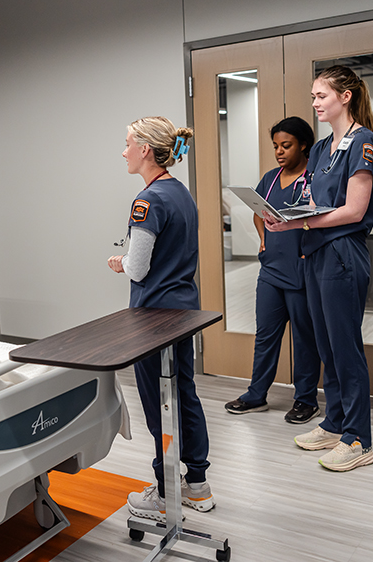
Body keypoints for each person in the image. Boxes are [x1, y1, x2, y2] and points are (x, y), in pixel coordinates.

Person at [264, 65, 373, 471]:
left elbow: (354, 210)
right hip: (314, 251)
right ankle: (334, 423)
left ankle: (359, 438)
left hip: (342, 253)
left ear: (344, 97)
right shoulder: (319, 149)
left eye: (321, 96)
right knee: (326, 345)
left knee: (345, 346)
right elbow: (314, 201)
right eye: (313, 97)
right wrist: (281, 215)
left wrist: (302, 222)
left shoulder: (362, 143)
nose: (314, 103)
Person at [107, 116, 213, 521]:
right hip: (182, 310)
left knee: (158, 403)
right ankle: (197, 485)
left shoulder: (147, 201)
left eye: (128, 143)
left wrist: (119, 262)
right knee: (184, 393)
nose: (124, 151)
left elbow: (137, 267)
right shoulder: (181, 193)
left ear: (145, 150)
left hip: (153, 316)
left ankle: (166, 492)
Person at [224, 117, 322, 423]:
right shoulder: (270, 178)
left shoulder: (315, 178)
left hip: (302, 270)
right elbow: (259, 213)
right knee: (266, 335)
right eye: (276, 146)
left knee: (305, 338)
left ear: (304, 145)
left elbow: (323, 218)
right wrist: (264, 237)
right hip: (271, 270)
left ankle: (306, 399)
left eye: (286, 145)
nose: (279, 151)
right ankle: (256, 394)